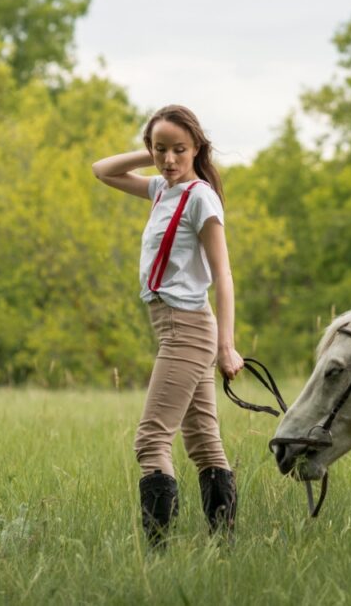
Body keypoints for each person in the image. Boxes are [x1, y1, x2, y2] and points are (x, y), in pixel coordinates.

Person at [91, 104, 244, 547]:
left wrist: (227, 346)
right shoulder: (161, 189)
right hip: (172, 325)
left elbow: (224, 274)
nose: (170, 159)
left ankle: (157, 553)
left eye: (180, 149)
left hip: (188, 327)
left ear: (197, 148)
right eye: (161, 150)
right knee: (203, 444)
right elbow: (102, 170)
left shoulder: (200, 197)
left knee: (150, 440)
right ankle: (223, 551)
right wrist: (152, 155)